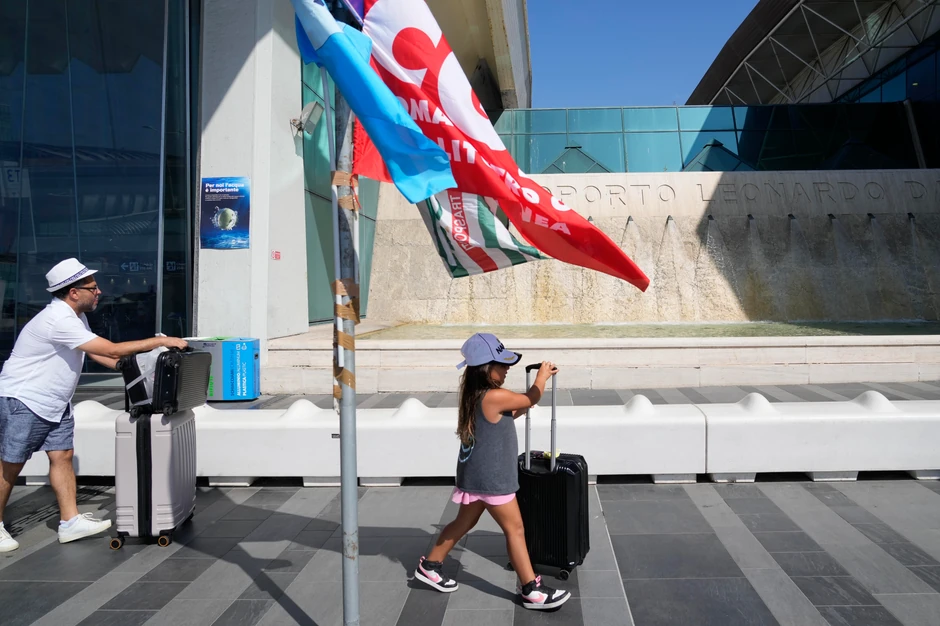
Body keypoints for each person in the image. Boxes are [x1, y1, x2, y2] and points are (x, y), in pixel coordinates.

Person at [0, 258, 188, 552]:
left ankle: (69, 522)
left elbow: (100, 354)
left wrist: (130, 367)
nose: (99, 291)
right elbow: (110, 348)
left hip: (55, 400)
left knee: (62, 456)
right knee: (10, 465)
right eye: (92, 287)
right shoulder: (58, 320)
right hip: (25, 399)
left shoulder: (75, 317)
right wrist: (157, 342)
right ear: (73, 292)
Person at [413, 332, 571, 610]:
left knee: (463, 523)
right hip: (492, 479)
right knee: (516, 529)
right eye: (502, 364)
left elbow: (508, 414)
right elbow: (531, 398)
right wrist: (542, 378)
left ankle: (430, 566)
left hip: (473, 476)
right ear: (487, 368)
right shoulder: (495, 396)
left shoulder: (477, 395)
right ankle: (532, 590)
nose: (507, 368)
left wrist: (525, 401)